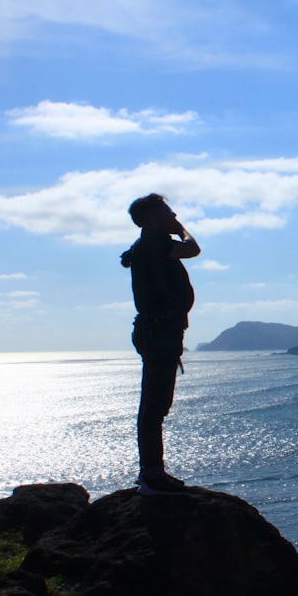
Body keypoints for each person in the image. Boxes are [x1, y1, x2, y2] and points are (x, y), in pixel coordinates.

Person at [120, 194, 200, 495]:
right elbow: (193, 248)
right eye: (167, 210)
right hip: (159, 333)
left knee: (155, 406)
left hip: (157, 331)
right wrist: (180, 228)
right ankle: (152, 475)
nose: (173, 213)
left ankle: (152, 471)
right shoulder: (156, 243)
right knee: (154, 407)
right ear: (154, 217)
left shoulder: (145, 245)